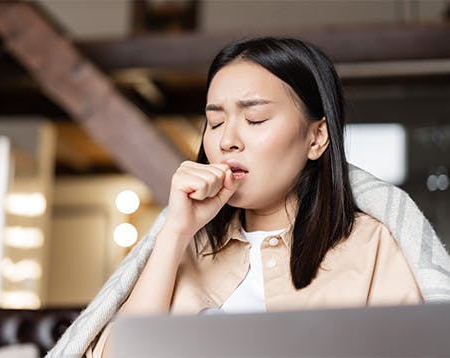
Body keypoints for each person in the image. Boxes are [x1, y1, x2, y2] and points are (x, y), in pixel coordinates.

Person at [47, 37, 450, 358]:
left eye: (254, 119)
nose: (226, 141)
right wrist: (174, 232)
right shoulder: (188, 245)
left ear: (316, 137)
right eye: (215, 121)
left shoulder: (375, 246)